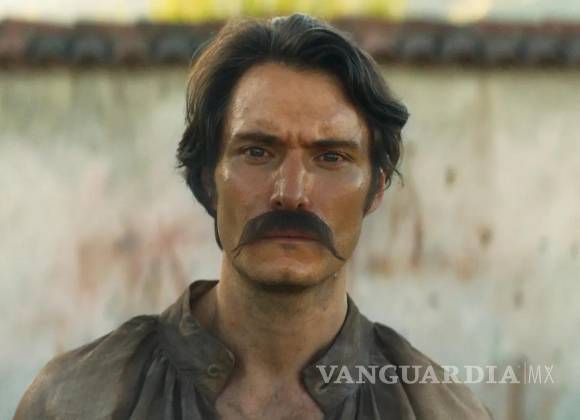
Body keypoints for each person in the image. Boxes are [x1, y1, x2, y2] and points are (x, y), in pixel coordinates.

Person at [14, 13, 492, 420]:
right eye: (258, 151)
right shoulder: (75, 401)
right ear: (207, 178)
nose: (292, 194)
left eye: (331, 157)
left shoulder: (440, 411)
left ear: (377, 188)